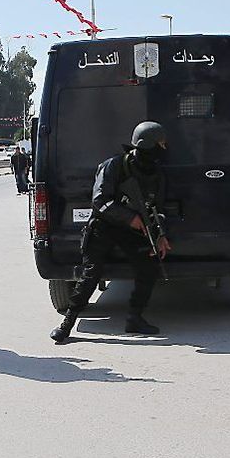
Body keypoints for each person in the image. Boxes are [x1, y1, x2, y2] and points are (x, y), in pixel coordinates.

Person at [49, 121, 173, 343]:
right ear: (147, 145)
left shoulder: (156, 175)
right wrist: (130, 217)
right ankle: (67, 323)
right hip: (103, 226)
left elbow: (158, 210)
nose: (164, 149)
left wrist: (160, 235)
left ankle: (135, 318)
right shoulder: (114, 166)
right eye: (161, 144)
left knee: (149, 266)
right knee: (91, 273)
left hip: (131, 230)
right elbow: (100, 202)